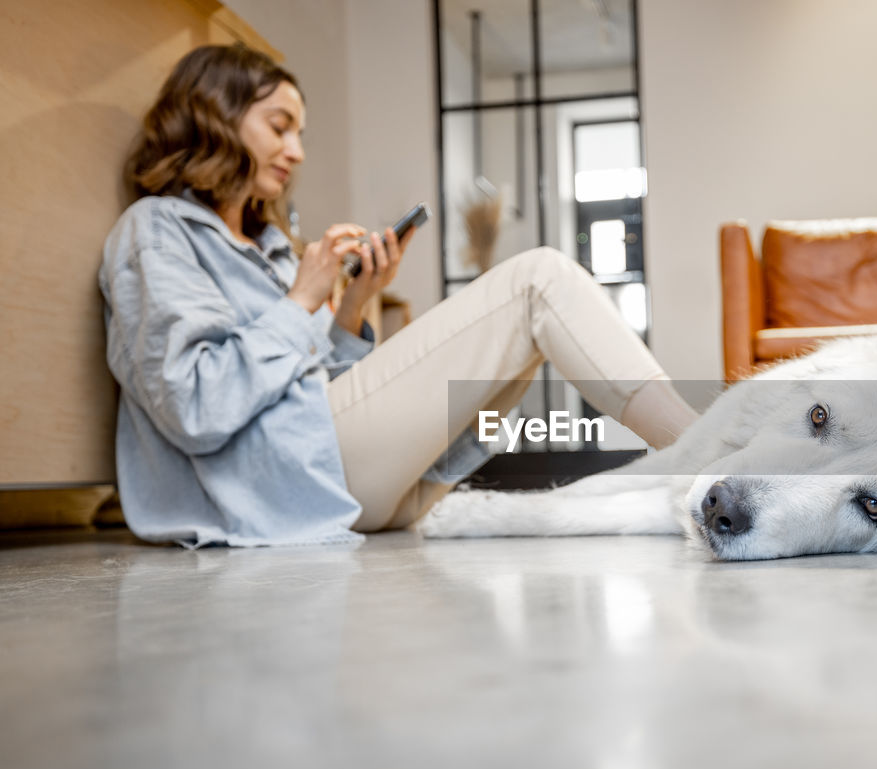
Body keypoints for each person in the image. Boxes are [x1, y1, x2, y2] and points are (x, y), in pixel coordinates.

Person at [100, 44, 698, 548]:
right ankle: (719, 452)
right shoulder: (156, 230)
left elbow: (317, 387)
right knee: (539, 280)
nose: (297, 152)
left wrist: (355, 303)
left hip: (334, 478)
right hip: (279, 482)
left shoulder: (270, 248)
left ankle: (708, 452)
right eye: (279, 127)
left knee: (525, 334)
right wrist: (300, 302)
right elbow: (195, 405)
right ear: (213, 116)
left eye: (299, 133)